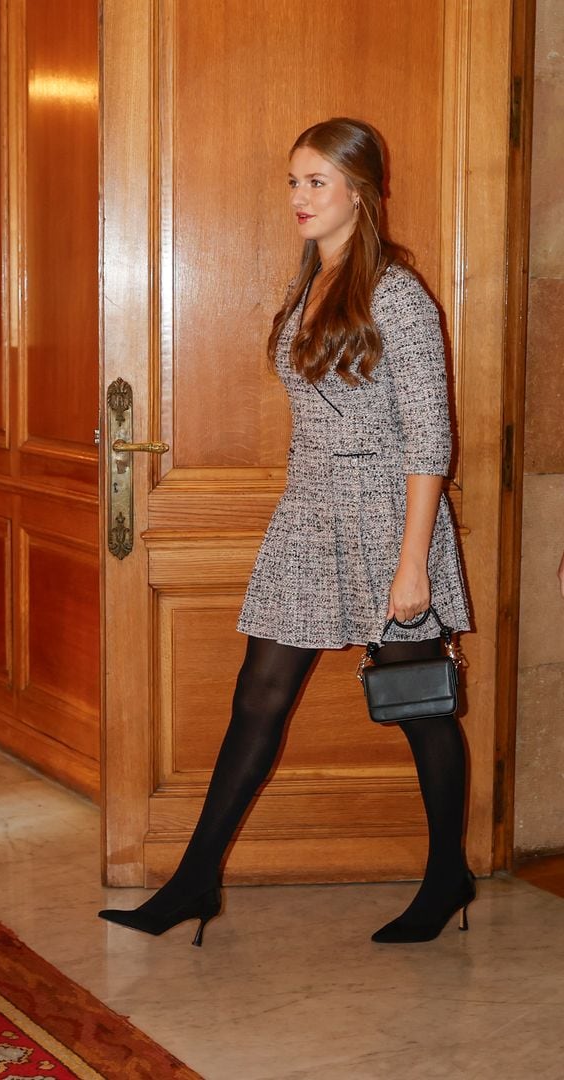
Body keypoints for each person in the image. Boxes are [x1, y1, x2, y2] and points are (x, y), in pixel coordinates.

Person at [99, 118, 473, 947]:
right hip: (310, 512)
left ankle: (447, 874)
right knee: (257, 696)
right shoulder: (314, 282)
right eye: (294, 182)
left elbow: (430, 438)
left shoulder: (397, 294)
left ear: (360, 191)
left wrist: (412, 564)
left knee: (418, 705)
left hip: (387, 517)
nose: (299, 198)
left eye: (316, 182)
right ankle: (196, 880)